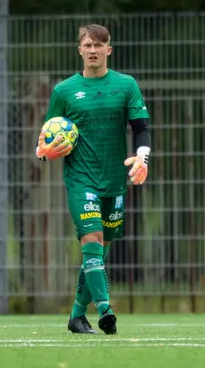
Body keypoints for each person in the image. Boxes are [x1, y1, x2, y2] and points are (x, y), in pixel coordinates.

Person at [35, 23, 151, 335]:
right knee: (91, 241)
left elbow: (141, 127)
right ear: (80, 50)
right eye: (87, 45)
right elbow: (48, 135)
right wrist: (43, 150)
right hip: (80, 179)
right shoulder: (64, 91)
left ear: (108, 50)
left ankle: (76, 316)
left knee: (98, 251)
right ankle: (105, 309)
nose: (93, 50)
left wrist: (143, 156)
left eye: (99, 45)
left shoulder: (126, 85)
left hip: (114, 180)